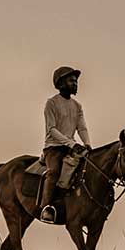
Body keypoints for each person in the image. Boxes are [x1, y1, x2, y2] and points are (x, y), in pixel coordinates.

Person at [39, 66, 92, 223]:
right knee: (54, 172)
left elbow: (81, 127)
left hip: (71, 147)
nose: (75, 83)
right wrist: (71, 143)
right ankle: (46, 207)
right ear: (61, 83)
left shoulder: (77, 106)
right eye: (71, 80)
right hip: (53, 148)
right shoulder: (51, 103)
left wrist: (87, 144)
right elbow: (51, 129)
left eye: (76, 81)